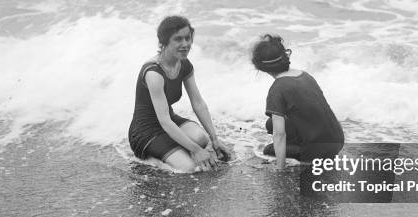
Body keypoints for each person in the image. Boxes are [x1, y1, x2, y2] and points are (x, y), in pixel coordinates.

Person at [129, 16, 230, 172]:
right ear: (164, 42)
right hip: (145, 132)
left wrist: (214, 139)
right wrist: (196, 150)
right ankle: (150, 159)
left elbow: (198, 103)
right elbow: (165, 122)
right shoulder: (153, 73)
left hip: (169, 121)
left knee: (201, 138)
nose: (185, 44)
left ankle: (174, 149)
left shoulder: (184, 64)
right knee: (189, 167)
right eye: (178, 39)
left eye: (188, 38)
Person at [251, 34, 344, 169]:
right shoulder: (305, 75)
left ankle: (306, 161)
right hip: (337, 141)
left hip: (317, 152)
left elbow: (279, 134)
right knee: (271, 123)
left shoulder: (278, 89)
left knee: (269, 150)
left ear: (261, 67)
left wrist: (280, 167)